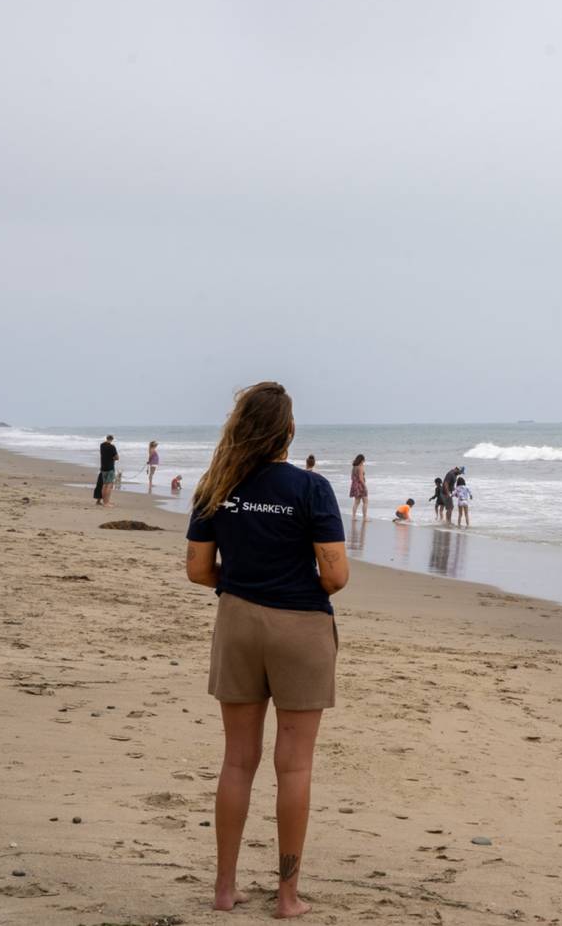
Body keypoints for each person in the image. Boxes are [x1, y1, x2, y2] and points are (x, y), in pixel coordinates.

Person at [183, 381, 348, 919]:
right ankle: (287, 896)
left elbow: (198, 570)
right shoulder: (311, 488)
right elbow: (336, 574)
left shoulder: (215, 485)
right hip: (299, 626)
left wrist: (248, 583)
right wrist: (295, 587)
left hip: (237, 621)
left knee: (237, 759)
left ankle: (225, 889)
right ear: (288, 431)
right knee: (294, 767)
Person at [98, 434, 120, 507]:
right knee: (109, 485)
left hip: (103, 467)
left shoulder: (102, 445)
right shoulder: (112, 447)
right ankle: (106, 503)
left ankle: (105, 502)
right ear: (112, 439)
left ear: (106, 438)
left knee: (104, 485)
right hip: (110, 467)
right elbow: (117, 457)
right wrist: (113, 458)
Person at [349, 454, 368, 523]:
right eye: (364, 460)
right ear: (362, 460)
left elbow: (352, 477)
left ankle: (353, 517)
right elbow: (361, 478)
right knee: (365, 501)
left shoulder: (354, 467)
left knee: (356, 502)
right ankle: (364, 518)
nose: (364, 462)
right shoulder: (360, 467)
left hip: (354, 485)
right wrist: (364, 486)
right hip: (360, 486)